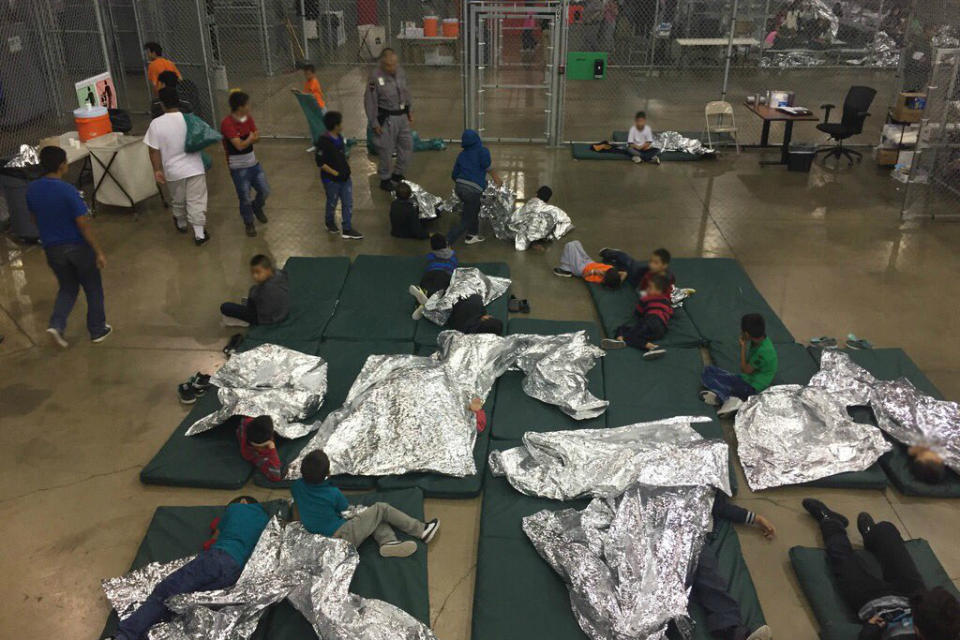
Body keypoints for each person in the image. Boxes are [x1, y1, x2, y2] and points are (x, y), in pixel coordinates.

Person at [108, 497, 269, 640]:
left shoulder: (237, 508)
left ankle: (125, 635)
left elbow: (215, 536)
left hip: (217, 558)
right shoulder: (265, 519)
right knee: (186, 604)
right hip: (234, 573)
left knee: (164, 593)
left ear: (242, 501)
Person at [801, 498, 960, 640]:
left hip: (874, 603)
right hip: (911, 593)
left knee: (841, 559)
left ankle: (830, 521)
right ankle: (872, 534)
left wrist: (869, 632)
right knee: (887, 531)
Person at [25, 146, 112, 348]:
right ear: (62, 165)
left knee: (67, 287)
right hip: (77, 247)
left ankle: (57, 323)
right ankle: (98, 330)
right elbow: (82, 223)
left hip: (52, 249)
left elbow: (34, 218)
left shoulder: (32, 189)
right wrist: (98, 251)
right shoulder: (68, 191)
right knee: (93, 287)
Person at [292, 450, 440, 558]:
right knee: (381, 509)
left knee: (372, 517)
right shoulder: (333, 493)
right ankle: (421, 530)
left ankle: (388, 542)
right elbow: (345, 510)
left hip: (320, 538)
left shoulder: (296, 486)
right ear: (327, 475)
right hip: (341, 537)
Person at [687, 493, 775, 640]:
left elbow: (720, 507)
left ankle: (732, 632)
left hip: (693, 536)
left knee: (709, 579)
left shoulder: (705, 484)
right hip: (658, 535)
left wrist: (756, 518)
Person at [145, 86, 209, 246]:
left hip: (173, 171)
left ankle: (181, 223)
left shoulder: (156, 124)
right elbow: (204, 137)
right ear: (178, 102)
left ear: (162, 104)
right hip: (195, 167)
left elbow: (153, 150)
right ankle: (199, 235)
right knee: (197, 201)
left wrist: (157, 170)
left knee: (178, 199)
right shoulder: (190, 119)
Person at [700, 314, 778, 411]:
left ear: (747, 334)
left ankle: (726, 398)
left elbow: (745, 370)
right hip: (747, 378)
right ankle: (730, 397)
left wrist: (743, 347)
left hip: (753, 387)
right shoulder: (761, 339)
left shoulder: (763, 352)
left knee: (719, 380)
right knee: (709, 370)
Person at [221, 91, 270, 237]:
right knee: (245, 197)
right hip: (238, 168)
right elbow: (239, 146)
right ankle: (248, 222)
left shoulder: (248, 119)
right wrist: (249, 139)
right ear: (239, 107)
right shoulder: (227, 124)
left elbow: (256, 136)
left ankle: (257, 207)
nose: (249, 107)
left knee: (265, 190)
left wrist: (247, 139)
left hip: (253, 163)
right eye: (247, 104)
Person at [364, 49, 413, 191]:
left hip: (402, 116)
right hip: (387, 118)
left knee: (407, 146)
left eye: (394, 64)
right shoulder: (375, 77)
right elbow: (370, 101)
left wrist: (409, 109)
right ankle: (385, 178)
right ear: (383, 64)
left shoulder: (401, 72)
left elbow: (406, 91)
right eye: (389, 65)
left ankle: (398, 173)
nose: (392, 68)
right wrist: (374, 122)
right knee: (386, 149)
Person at [448, 129, 501, 246]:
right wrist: (497, 179)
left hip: (460, 187)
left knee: (471, 211)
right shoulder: (482, 151)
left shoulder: (462, 155)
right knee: (467, 219)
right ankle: (448, 239)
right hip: (473, 190)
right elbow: (488, 167)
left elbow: (454, 174)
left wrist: (462, 184)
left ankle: (472, 235)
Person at [315, 111, 363, 240]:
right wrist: (335, 173)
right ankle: (329, 222)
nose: (342, 125)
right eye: (340, 123)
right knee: (332, 201)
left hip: (344, 178)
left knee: (348, 202)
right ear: (335, 125)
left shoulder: (340, 137)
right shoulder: (323, 141)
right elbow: (320, 163)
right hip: (331, 180)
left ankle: (347, 228)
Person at [601, 273, 672, 359]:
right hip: (661, 330)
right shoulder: (666, 301)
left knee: (630, 333)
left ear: (659, 291)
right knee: (632, 332)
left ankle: (650, 346)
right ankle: (621, 338)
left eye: (650, 288)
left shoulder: (646, 299)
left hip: (651, 321)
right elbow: (669, 313)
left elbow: (638, 312)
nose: (647, 290)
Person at [220, 254, 290, 327]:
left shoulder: (265, 289)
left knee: (225, 307)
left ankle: (245, 322)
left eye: (258, 272)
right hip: (282, 311)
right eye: (253, 273)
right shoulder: (280, 274)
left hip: (266, 318)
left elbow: (259, 306)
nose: (254, 276)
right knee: (245, 298)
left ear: (268, 270)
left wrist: (251, 300)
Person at [408, 234, 459, 319]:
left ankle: (421, 303)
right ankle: (429, 304)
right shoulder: (453, 255)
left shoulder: (430, 256)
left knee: (425, 286)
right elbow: (455, 266)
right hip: (445, 274)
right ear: (446, 243)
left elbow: (429, 261)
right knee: (440, 292)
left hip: (431, 273)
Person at [553, 240, 626, 289]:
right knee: (576, 243)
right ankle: (567, 268)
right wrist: (619, 283)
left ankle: (566, 269)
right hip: (589, 261)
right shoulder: (611, 271)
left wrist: (593, 272)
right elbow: (624, 273)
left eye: (605, 274)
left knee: (569, 245)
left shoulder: (598, 279)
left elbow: (584, 276)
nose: (604, 272)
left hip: (581, 268)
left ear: (605, 279)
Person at [599, 246, 675, 293]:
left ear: (664, 265)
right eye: (651, 261)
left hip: (636, 282)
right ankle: (614, 253)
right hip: (636, 276)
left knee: (625, 267)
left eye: (655, 263)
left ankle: (617, 260)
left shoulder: (668, 277)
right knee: (629, 263)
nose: (651, 264)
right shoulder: (648, 271)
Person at [237, 415, 282, 482]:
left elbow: (247, 421)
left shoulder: (246, 424)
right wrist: (272, 449)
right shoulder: (257, 455)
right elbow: (276, 476)